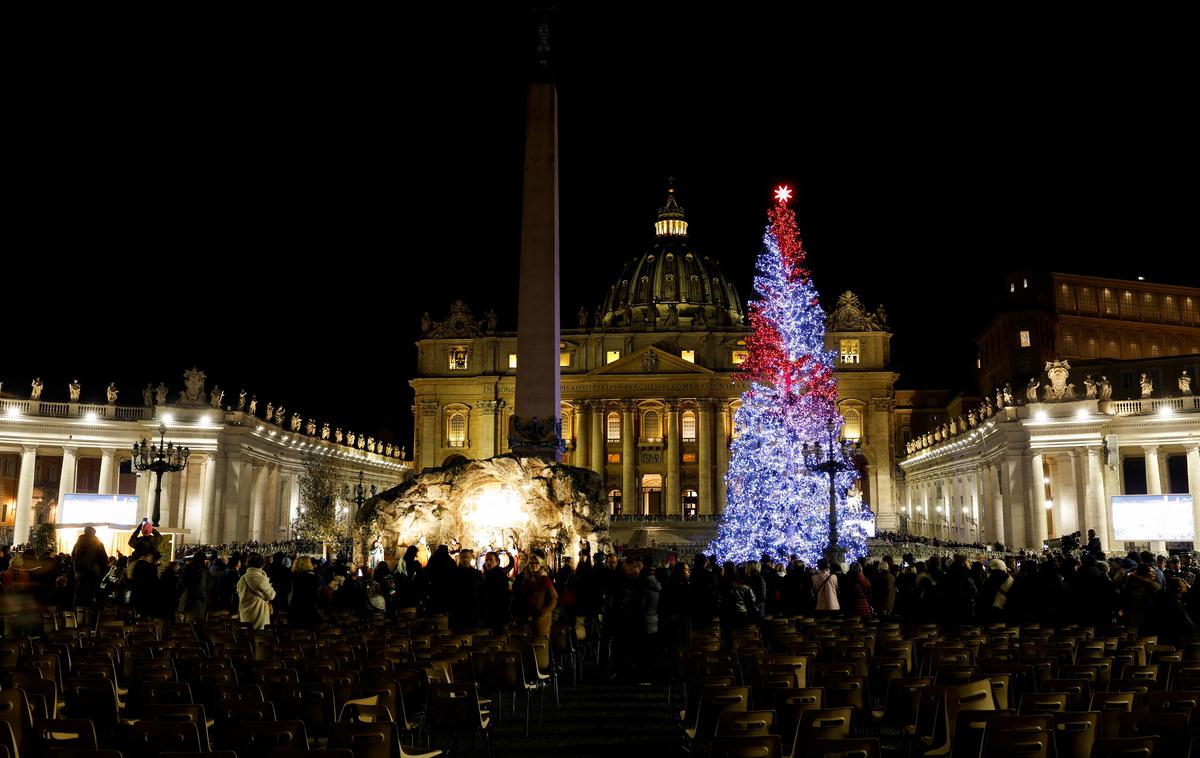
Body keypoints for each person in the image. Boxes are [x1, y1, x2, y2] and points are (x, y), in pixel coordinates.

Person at [515, 550, 558, 637]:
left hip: (540, 618)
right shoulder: (526, 578)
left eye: (536, 563)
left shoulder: (544, 579)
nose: (534, 565)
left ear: (541, 564)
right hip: (526, 616)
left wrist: (544, 612)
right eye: (531, 563)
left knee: (539, 644)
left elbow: (554, 597)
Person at [71, 526, 108, 621]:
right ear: (94, 533)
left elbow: (73, 556)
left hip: (79, 573)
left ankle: (76, 616)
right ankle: (88, 619)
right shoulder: (98, 543)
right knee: (90, 595)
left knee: (79, 593)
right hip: (93, 573)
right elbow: (103, 559)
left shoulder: (77, 543)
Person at [237, 552, 275, 630]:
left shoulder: (242, 578)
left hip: (245, 613)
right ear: (261, 565)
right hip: (258, 613)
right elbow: (271, 596)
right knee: (259, 638)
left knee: (248, 636)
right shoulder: (260, 578)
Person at [289, 556, 321, 627]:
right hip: (309, 606)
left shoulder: (294, 576)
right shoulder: (313, 577)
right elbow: (316, 594)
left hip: (296, 605)